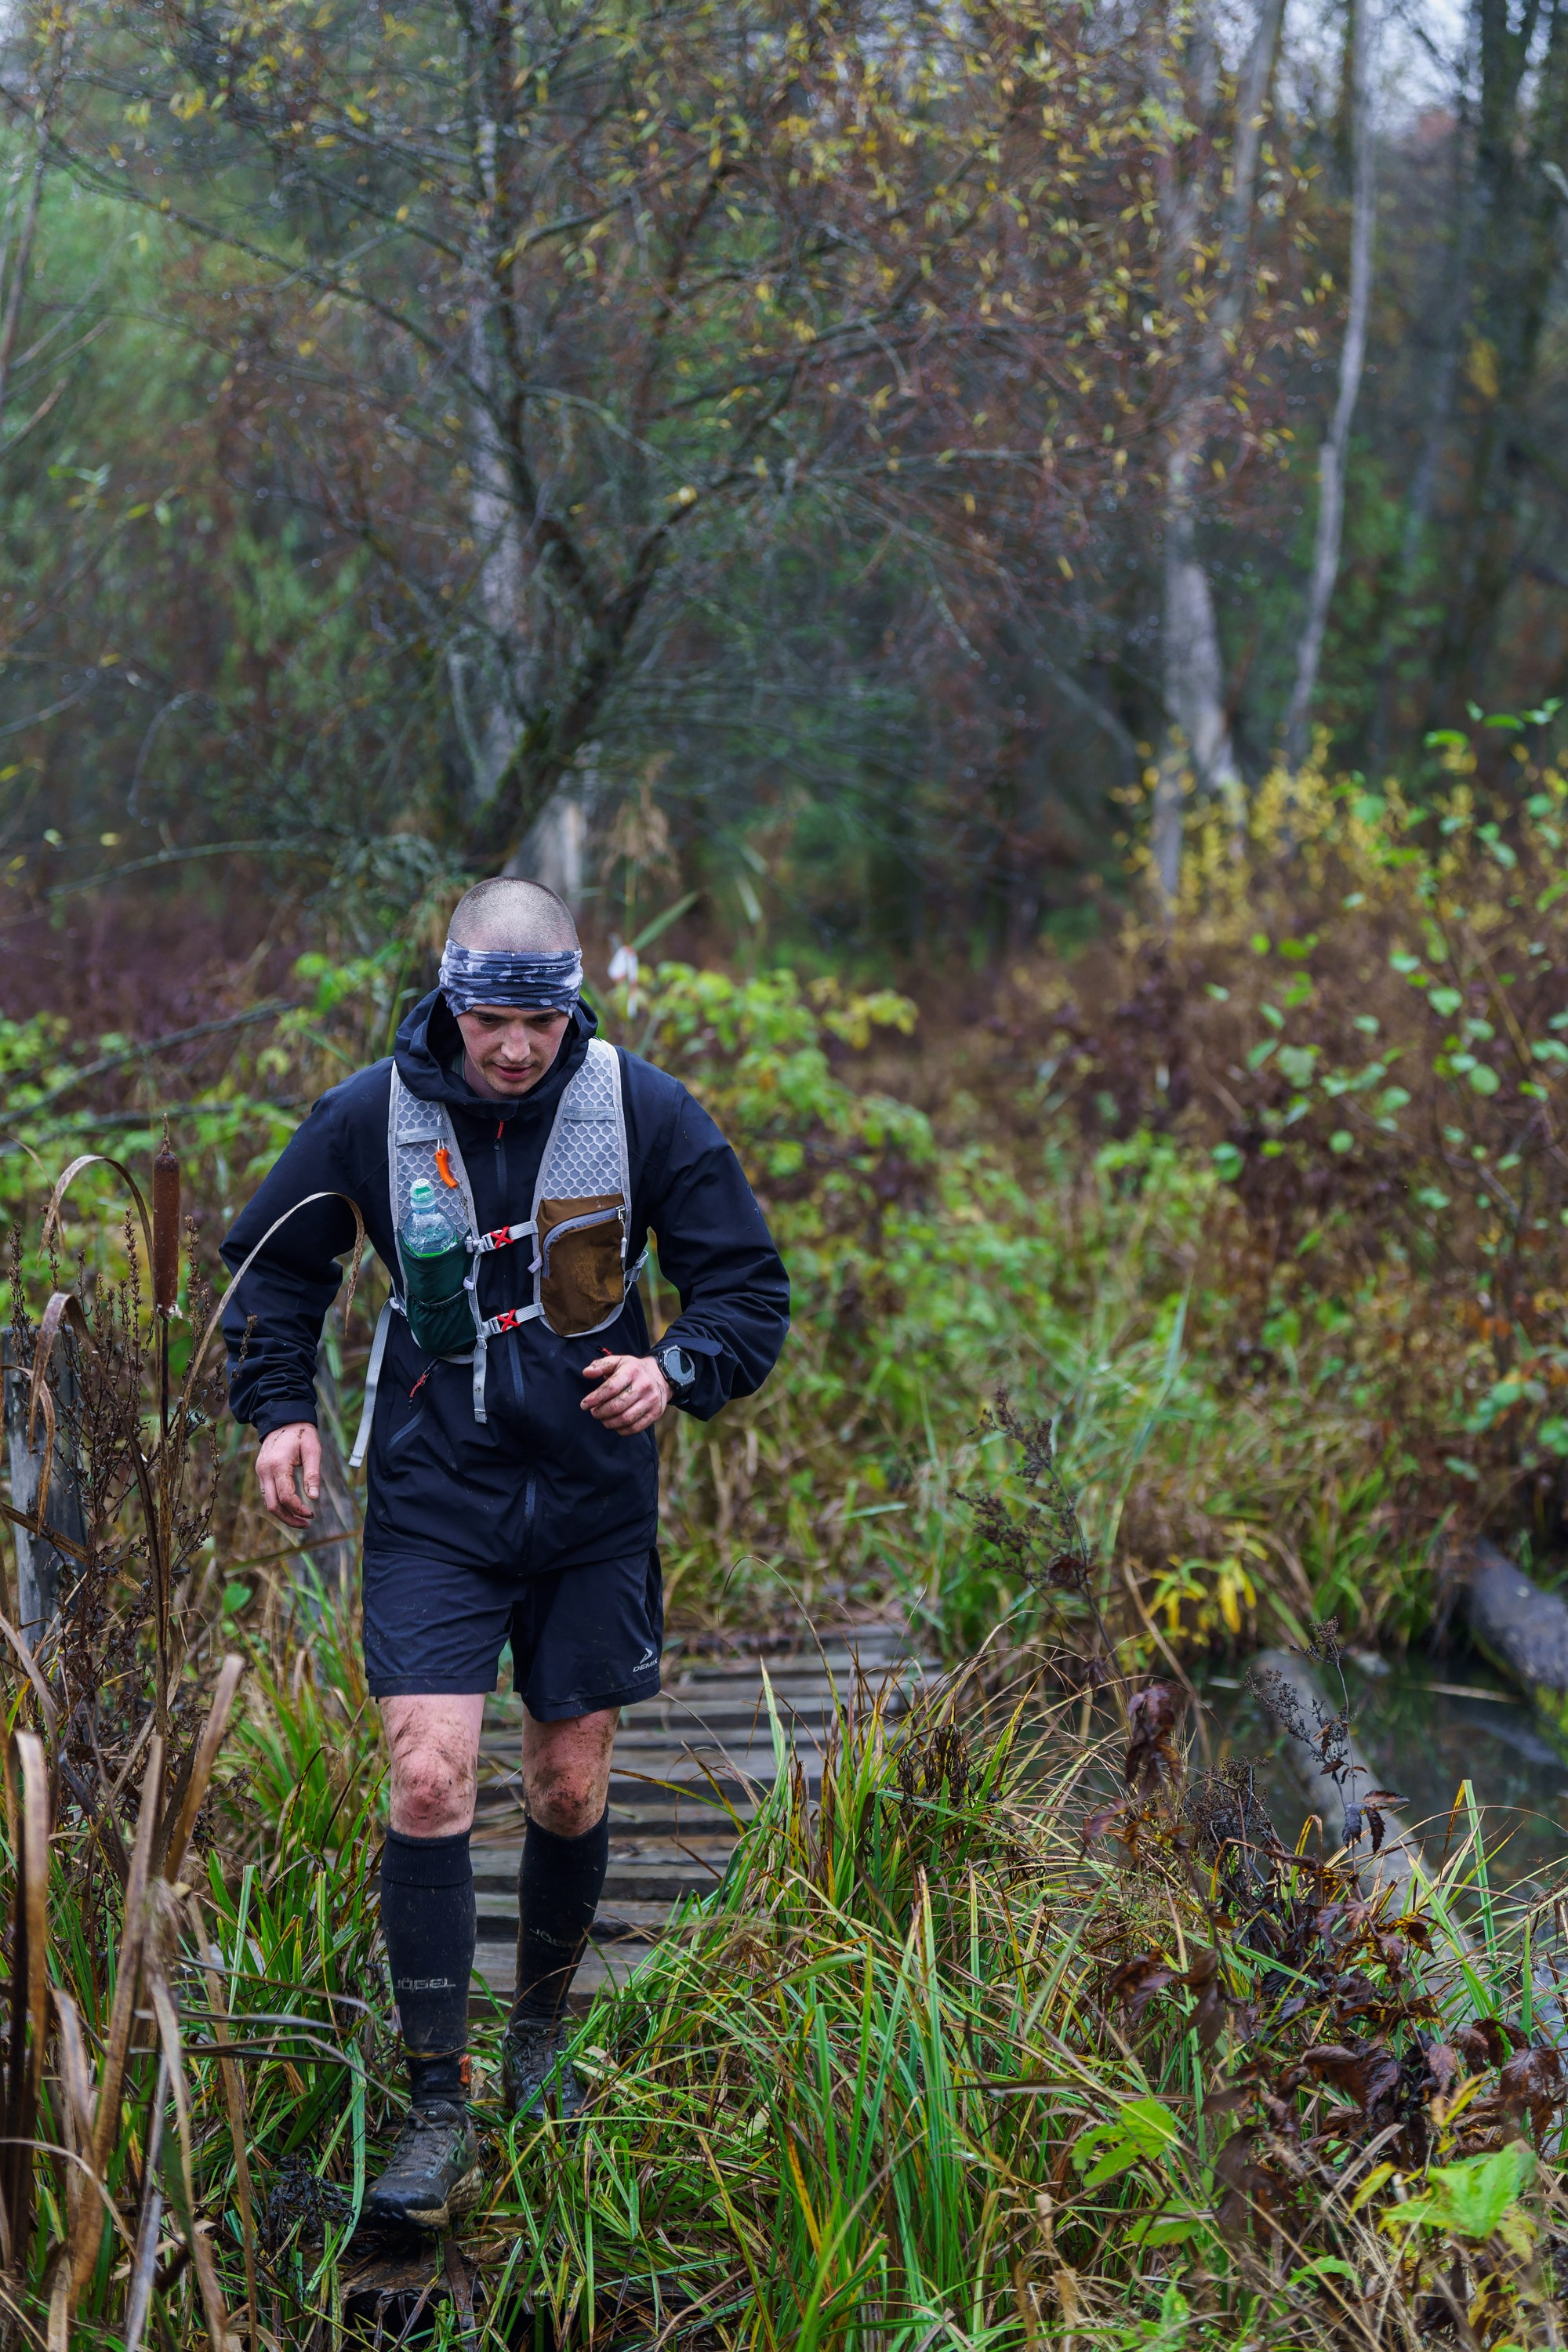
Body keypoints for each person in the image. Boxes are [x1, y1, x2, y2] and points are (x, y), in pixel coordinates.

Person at [220, 878, 789, 2230]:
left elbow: (747, 1292)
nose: (516, 1050)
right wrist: (280, 1412)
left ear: (569, 1003)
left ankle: (537, 2044)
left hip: (591, 1504)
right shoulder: (375, 1113)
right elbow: (274, 1272)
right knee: (427, 1776)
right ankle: (435, 2102)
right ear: (452, 997)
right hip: (439, 1494)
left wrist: (680, 1369)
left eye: (538, 1023)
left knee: (570, 1785)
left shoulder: (643, 1109)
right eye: (492, 1022)